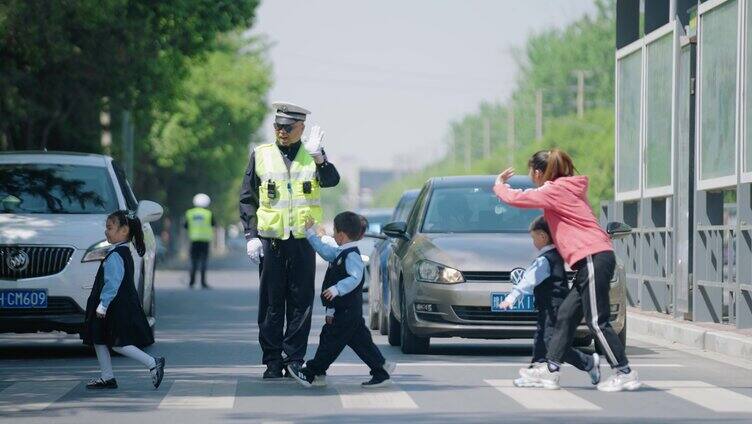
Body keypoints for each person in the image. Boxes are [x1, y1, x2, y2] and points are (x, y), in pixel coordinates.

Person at [494, 149, 641, 392]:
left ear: (539, 173)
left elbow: (517, 199)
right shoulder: (565, 188)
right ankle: (550, 371)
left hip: (594, 257)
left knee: (597, 321)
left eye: (532, 173)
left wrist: (499, 185)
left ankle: (624, 371)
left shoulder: (553, 190)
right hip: (589, 261)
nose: (532, 178)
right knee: (565, 316)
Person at [239, 102, 340, 379]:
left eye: (288, 127)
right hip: (271, 242)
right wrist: (251, 235)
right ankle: (272, 360)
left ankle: (293, 357)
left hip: (303, 241)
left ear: (301, 128)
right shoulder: (261, 154)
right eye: (277, 126)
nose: (282, 132)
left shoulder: (313, 155)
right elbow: (247, 198)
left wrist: (320, 158)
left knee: (301, 302)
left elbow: (332, 180)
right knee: (272, 303)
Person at [287, 212, 394, 388]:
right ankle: (380, 368)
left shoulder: (350, 255)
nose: (333, 235)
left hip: (346, 311)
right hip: (344, 311)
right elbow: (324, 250)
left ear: (341, 234)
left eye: (334, 231)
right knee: (361, 342)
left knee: (330, 343)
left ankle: (312, 373)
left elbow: (355, 277)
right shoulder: (340, 252)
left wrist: (337, 289)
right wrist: (310, 233)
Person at [500, 216, 600, 389]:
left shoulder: (545, 259)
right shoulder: (553, 256)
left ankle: (587, 362)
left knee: (550, 342)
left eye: (534, 238)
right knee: (540, 338)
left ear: (543, 236)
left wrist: (512, 297)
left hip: (554, 307)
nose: (533, 242)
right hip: (547, 307)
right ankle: (536, 370)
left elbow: (528, 280)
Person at [83, 210, 165, 390]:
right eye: (106, 227)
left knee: (118, 343)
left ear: (124, 230)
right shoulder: (120, 251)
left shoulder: (116, 255)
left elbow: (113, 283)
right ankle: (107, 377)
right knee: (99, 338)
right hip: (113, 305)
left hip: (114, 307)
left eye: (110, 228)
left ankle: (152, 363)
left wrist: (103, 305)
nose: (106, 231)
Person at [184, 193, 215, 289]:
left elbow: (186, 226)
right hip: (205, 241)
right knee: (203, 262)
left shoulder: (189, 213)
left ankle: (191, 283)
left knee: (193, 262)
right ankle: (203, 283)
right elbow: (213, 224)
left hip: (194, 240)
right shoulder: (209, 214)